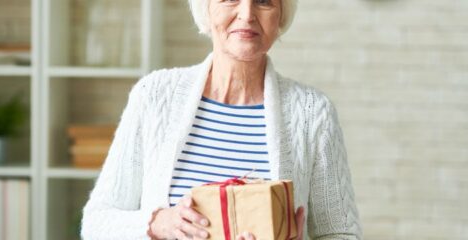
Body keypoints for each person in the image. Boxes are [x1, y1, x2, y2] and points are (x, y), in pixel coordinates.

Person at [81, 0, 362, 239]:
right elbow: (96, 223)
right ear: (207, 7)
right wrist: (157, 223)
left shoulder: (313, 113)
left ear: (281, 16)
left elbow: (342, 232)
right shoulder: (154, 96)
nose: (247, 14)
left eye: (264, 0)